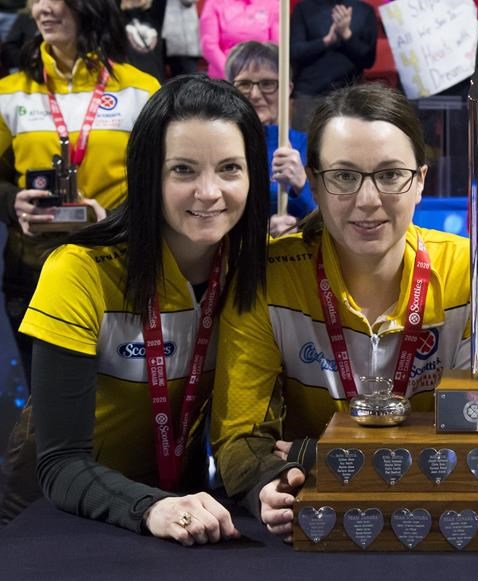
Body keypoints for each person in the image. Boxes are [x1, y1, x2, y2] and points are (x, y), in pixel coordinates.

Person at [0, 74, 271, 539]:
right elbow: (60, 462)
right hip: (58, 516)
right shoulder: (79, 270)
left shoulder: (257, 267)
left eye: (230, 168)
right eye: (183, 170)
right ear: (148, 175)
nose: (209, 192)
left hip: (184, 515)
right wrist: (152, 507)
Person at [211, 83, 471, 539]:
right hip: (314, 523)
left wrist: (318, 455)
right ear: (313, 182)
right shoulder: (269, 275)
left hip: (442, 527)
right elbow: (241, 438)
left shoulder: (471, 273)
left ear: (421, 181)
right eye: (344, 176)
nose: (368, 200)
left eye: (390, 175)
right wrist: (264, 486)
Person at [0, 0, 160, 379]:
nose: (43, 9)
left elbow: (160, 182)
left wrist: (115, 220)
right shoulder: (9, 93)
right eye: (36, 0)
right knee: (47, 406)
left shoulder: (141, 90)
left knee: (116, 399)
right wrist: (12, 202)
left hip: (118, 266)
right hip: (33, 270)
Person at [225, 41, 316, 237]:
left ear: (288, 88)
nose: (255, 95)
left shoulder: (308, 146)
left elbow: (331, 223)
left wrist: (302, 184)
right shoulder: (220, 149)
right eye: (244, 84)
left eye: (267, 84)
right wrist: (260, 233)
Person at [289, 0, 376, 131]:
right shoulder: (304, 8)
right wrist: (326, 41)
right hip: (309, 96)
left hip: (350, 96)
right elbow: (294, 52)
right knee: (306, 146)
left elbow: (368, 59)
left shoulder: (365, 11)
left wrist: (346, 34)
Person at [198, 0, 279, 79]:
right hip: (223, 77)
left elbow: (275, 45)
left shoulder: (272, 4)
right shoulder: (214, 3)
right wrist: (231, 72)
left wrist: (260, 72)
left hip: (261, 75)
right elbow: (208, 45)